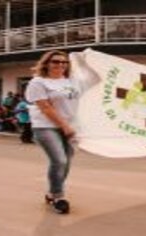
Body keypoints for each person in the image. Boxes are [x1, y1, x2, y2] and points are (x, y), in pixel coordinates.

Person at [25, 49, 99, 214]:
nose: (60, 65)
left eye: (64, 62)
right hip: (45, 126)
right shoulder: (38, 82)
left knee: (66, 162)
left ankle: (51, 192)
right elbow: (45, 108)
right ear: (47, 64)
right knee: (59, 160)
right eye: (55, 62)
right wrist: (65, 127)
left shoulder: (73, 81)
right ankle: (58, 197)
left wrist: (86, 62)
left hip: (71, 126)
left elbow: (96, 79)